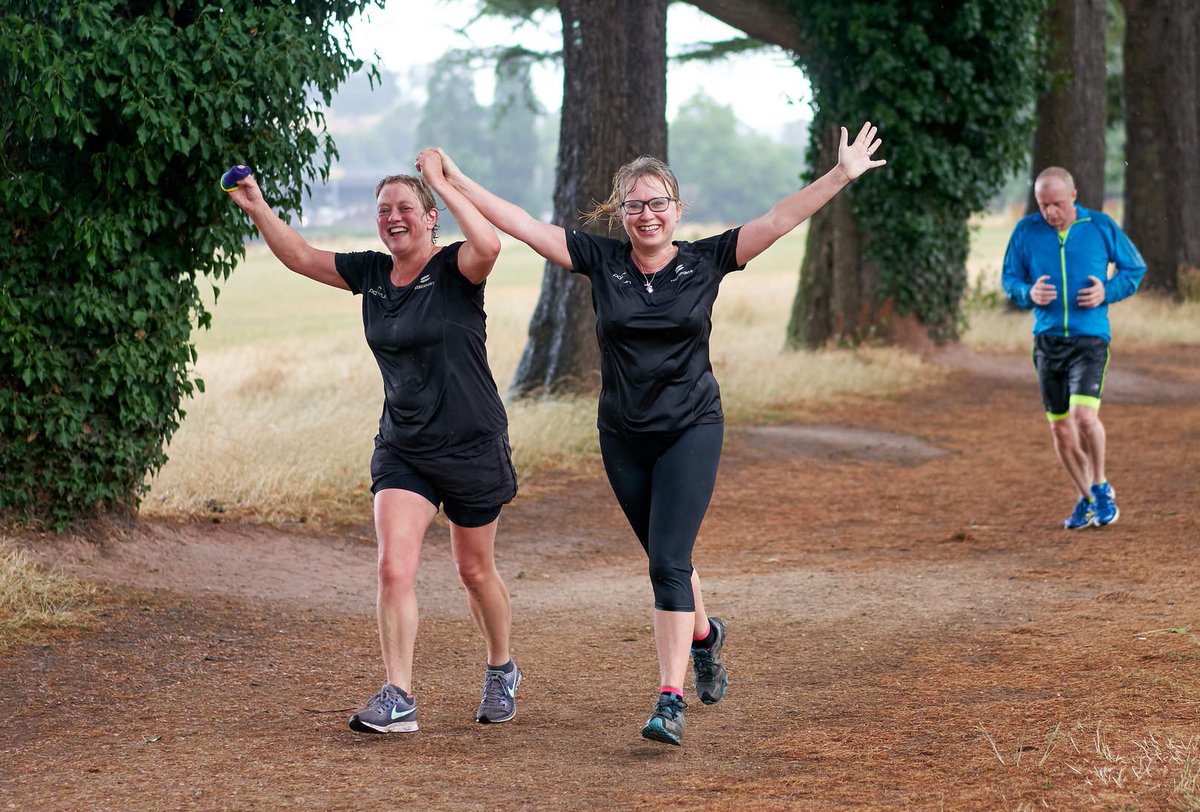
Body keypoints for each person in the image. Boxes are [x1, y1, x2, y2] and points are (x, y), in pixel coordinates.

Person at [417, 121, 885, 746]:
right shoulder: (601, 260)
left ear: (677, 209)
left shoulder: (707, 260)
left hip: (692, 427)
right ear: (621, 213)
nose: (647, 214)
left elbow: (777, 219)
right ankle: (704, 635)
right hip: (623, 436)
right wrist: (453, 180)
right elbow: (523, 224)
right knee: (671, 559)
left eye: (657, 202)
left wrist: (841, 175)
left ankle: (670, 700)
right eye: (635, 204)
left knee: (665, 563)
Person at [224, 164, 521, 734]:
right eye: (384, 209)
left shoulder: (456, 267)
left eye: (406, 207)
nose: (392, 217)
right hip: (404, 446)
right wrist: (257, 207)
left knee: (474, 569)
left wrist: (445, 180)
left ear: (431, 219)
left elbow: (490, 243)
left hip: (471, 443)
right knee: (393, 567)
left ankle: (501, 668)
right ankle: (400, 695)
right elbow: (303, 258)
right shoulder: (373, 273)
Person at [1002, 166, 1146, 530]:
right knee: (1061, 431)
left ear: (1074, 196)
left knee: (1084, 419)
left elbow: (1134, 269)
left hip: (1090, 337)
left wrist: (1107, 292)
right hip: (1047, 340)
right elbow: (1010, 278)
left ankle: (1100, 485)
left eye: (1057, 204)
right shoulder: (1027, 231)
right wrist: (1027, 293)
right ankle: (1085, 498)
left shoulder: (1099, 226)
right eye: (1043, 205)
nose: (1050, 212)